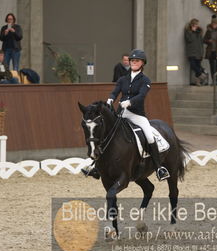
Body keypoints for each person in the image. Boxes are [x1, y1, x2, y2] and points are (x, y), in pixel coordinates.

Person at [83, 49, 170, 181]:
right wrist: (110, 99)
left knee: (149, 136)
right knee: (106, 134)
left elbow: (141, 96)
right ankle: (95, 166)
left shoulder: (145, 80)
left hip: (137, 115)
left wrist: (130, 102)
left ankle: (159, 168)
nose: (134, 63)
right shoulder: (123, 79)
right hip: (121, 114)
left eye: (137, 61)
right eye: (132, 61)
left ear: (142, 63)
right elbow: (115, 91)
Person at [184, 18, 207, 86]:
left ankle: (198, 81)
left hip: (198, 52)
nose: (196, 26)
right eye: (195, 24)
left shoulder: (199, 32)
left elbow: (201, 43)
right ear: (192, 25)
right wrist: (191, 32)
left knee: (198, 66)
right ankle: (202, 75)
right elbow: (189, 40)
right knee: (193, 65)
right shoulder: (188, 31)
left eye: (197, 24)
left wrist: (202, 53)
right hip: (191, 52)